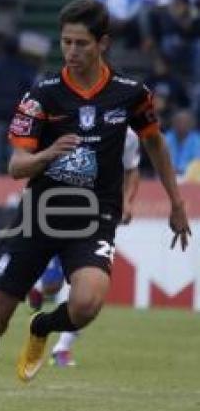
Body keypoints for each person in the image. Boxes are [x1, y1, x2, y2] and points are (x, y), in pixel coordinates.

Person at [0, 0, 191, 411]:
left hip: (94, 215)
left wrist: (175, 202)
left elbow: (155, 143)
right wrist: (48, 154)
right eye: (66, 43)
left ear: (103, 43)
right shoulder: (41, 96)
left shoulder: (131, 94)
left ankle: (43, 325)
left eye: (81, 43)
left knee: (87, 303)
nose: (72, 52)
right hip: (39, 214)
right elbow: (15, 166)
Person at [27, 129, 142, 368]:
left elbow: (131, 169)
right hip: (58, 212)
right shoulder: (63, 118)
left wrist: (128, 202)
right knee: (53, 284)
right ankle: (38, 287)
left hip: (98, 220)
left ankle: (61, 348)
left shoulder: (126, 133)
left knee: (87, 295)